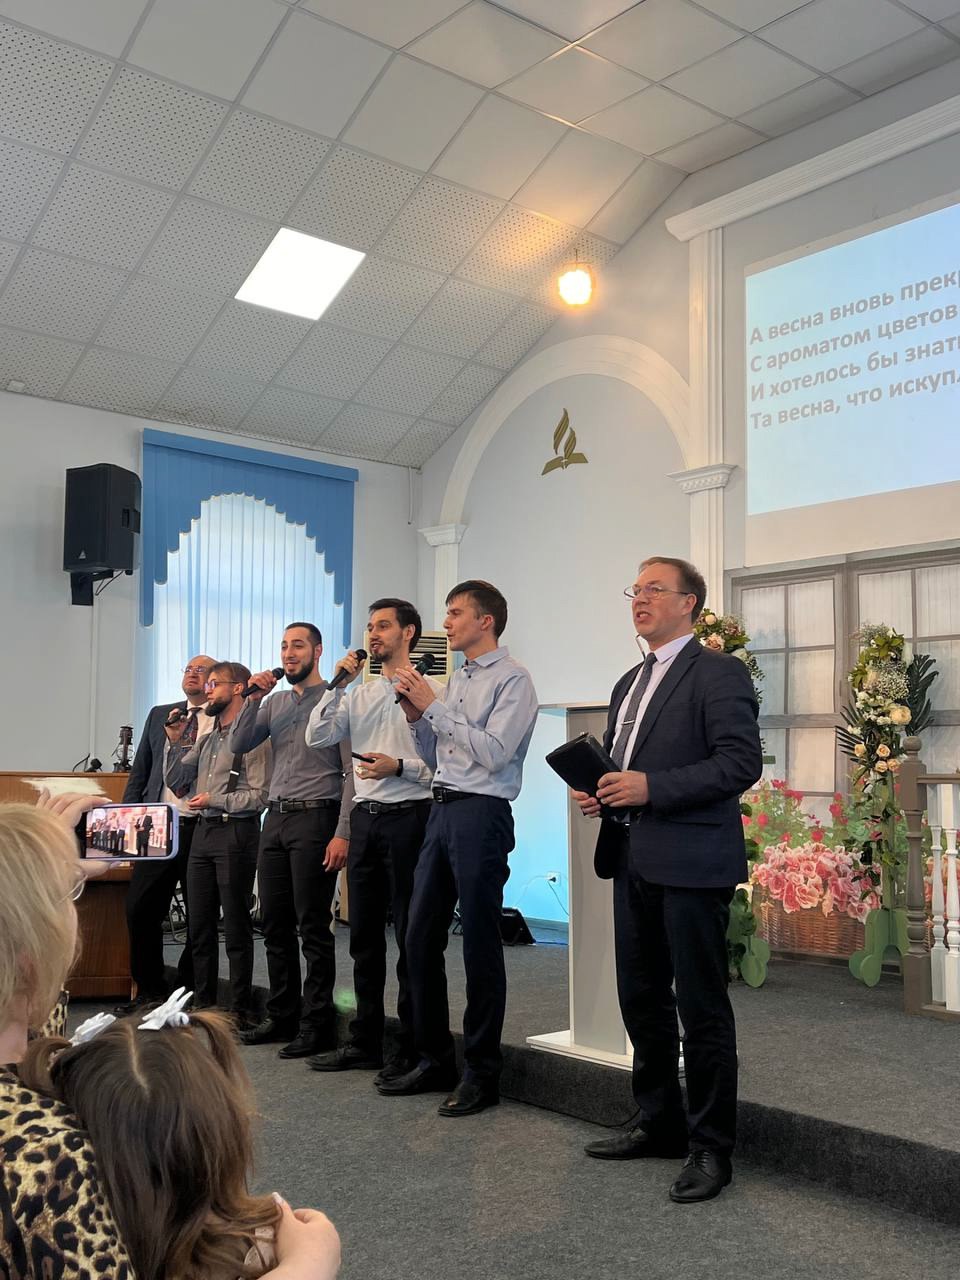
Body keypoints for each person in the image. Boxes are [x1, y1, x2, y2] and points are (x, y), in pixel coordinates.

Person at [0, 794, 340, 1280]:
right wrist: (310, 1264)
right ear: (33, 952)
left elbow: (27, 1019)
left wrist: (41, 874)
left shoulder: (22, 1057)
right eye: (66, 899)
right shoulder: (50, 1158)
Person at [573, 556, 762, 1204]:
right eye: (636, 588)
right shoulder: (629, 682)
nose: (640, 598)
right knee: (641, 999)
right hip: (631, 856)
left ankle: (711, 1147)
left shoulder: (718, 672)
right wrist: (606, 792)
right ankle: (658, 1120)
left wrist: (651, 788)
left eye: (655, 588)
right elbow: (625, 765)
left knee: (700, 1009)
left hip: (691, 861)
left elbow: (739, 763)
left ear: (689, 604)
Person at [383, 580, 538, 1117]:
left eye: (454, 614)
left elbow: (494, 753)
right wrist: (415, 714)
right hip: (442, 809)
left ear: (485, 621)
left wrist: (434, 707)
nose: (445, 623)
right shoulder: (456, 680)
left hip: (481, 813)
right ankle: (433, 1058)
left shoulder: (514, 679)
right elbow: (437, 754)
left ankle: (481, 1072)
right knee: (418, 935)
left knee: (478, 942)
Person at [304, 598, 442, 1080]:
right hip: (365, 819)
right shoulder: (356, 694)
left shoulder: (433, 691)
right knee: (362, 937)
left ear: (409, 633)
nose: (373, 634)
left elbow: (444, 768)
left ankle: (409, 1045)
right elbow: (317, 737)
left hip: (411, 817)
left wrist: (399, 767)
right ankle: (365, 1040)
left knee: (409, 935)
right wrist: (336, 685)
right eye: (370, 627)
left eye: (383, 625)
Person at [230, 624, 354, 1059]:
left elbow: (350, 773)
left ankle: (317, 1024)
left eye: (297, 646)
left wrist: (342, 832)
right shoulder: (275, 702)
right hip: (276, 818)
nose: (288, 653)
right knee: (274, 924)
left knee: (313, 926)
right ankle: (281, 1015)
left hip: (317, 817)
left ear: (317, 652)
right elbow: (239, 742)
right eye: (284, 646)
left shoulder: (336, 700)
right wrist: (252, 698)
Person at [165, 662, 272, 1026]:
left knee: (237, 926)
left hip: (235, 831)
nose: (207, 691)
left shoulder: (255, 738)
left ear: (238, 688)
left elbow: (259, 796)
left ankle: (239, 1009)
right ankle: (204, 1005)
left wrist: (216, 799)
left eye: (214, 684)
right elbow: (177, 781)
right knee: (199, 925)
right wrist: (176, 740)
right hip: (204, 833)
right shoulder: (209, 738)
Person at [118, 655, 216, 1013]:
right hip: (157, 826)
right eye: (188, 669)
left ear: (214, 681)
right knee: (140, 909)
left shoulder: (223, 716)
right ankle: (149, 991)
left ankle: (185, 992)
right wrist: (128, 822)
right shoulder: (161, 714)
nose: (192, 674)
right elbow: (140, 772)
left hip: (200, 827)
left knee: (200, 916)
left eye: (201, 670)